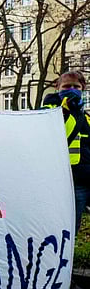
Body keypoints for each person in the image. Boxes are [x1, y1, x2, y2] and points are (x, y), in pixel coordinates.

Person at [44, 71, 90, 231]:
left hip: (85, 179)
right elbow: (62, 135)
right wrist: (67, 111)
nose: (71, 89)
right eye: (66, 86)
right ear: (57, 87)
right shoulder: (52, 111)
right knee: (68, 227)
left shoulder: (85, 116)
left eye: (76, 86)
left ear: (83, 88)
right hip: (66, 181)